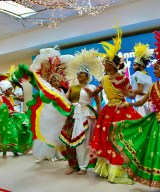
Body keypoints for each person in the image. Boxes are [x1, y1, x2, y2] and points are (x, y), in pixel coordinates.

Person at [86, 27, 142, 184]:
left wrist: (134, 93)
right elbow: (96, 92)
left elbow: (129, 93)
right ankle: (107, 168)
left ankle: (122, 168)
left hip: (121, 110)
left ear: (113, 64)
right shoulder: (103, 80)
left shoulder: (123, 78)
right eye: (104, 63)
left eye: (107, 63)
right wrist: (88, 94)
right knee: (107, 138)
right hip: (108, 111)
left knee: (121, 138)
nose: (104, 65)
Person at [110, 31, 160, 188]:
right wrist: (127, 104)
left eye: (157, 68)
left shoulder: (144, 79)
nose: (155, 70)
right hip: (156, 122)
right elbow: (141, 102)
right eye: (155, 68)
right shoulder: (153, 85)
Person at [59, 49, 103, 175]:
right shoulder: (73, 88)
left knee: (83, 142)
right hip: (73, 116)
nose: (78, 75)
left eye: (81, 73)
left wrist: (99, 116)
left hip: (86, 116)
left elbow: (98, 102)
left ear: (87, 76)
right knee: (68, 140)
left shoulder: (92, 88)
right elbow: (65, 100)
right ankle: (73, 165)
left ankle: (83, 166)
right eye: (77, 73)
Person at [0, 80, 32, 159]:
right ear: (5, 90)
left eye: (11, 89)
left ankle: (15, 151)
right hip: (6, 119)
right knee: (7, 135)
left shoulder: (11, 98)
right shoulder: (1, 98)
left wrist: (20, 112)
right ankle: (4, 153)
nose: (11, 91)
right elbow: (1, 109)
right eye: (9, 89)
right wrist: (7, 112)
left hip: (12, 117)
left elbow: (12, 108)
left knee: (15, 134)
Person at [131, 43, 153, 116]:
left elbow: (140, 90)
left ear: (141, 65)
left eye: (135, 65)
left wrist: (128, 91)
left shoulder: (138, 74)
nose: (132, 67)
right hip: (149, 103)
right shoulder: (148, 76)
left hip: (141, 103)